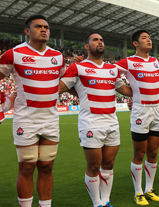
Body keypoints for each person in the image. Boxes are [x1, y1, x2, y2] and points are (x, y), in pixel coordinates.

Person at [59, 32, 133, 207]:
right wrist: (64, 69)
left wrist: (145, 88)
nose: (100, 42)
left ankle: (106, 201)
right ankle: (96, 203)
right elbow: (60, 88)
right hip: (90, 123)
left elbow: (125, 90)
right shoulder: (78, 68)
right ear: (86, 46)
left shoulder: (112, 69)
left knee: (108, 164)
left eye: (101, 40)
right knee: (93, 166)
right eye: (95, 40)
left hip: (112, 123)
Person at [0, 14, 65, 207]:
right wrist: (4, 101)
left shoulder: (57, 56)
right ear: (27, 31)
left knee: (47, 167)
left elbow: (64, 84)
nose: (44, 29)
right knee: (27, 168)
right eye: (38, 27)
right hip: (26, 121)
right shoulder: (14, 54)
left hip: (51, 120)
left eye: (46, 27)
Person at [115, 30, 159, 205]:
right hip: (141, 111)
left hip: (158, 110)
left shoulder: (156, 62)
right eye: (144, 38)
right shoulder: (128, 62)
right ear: (135, 43)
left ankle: (149, 189)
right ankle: (138, 192)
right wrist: (128, 93)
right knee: (140, 153)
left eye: (150, 38)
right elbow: (110, 74)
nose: (149, 40)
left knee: (153, 152)